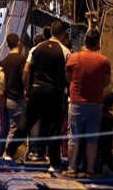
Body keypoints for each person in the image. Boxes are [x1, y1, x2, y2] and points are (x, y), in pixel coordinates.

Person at [4, 20, 71, 172]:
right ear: (62, 34)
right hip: (55, 92)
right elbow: (68, 76)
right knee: (54, 127)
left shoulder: (37, 48)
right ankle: (54, 163)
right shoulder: (66, 52)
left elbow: (27, 70)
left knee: (27, 122)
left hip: (37, 90)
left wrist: (27, 88)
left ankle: (10, 150)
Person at [62, 28, 111, 178]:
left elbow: (68, 78)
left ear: (84, 41)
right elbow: (106, 82)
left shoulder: (74, 58)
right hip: (95, 104)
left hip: (76, 102)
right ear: (98, 43)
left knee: (74, 137)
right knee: (92, 139)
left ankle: (72, 169)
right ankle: (90, 170)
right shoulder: (104, 61)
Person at [0, 33, 26, 154]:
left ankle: (1, 153)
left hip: (5, 98)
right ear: (18, 42)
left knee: (4, 128)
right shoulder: (22, 59)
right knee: (13, 129)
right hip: (16, 98)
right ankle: (7, 155)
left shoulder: (3, 61)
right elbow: (24, 76)